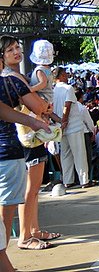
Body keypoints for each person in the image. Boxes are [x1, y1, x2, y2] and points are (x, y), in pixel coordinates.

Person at [0, 36, 52, 251]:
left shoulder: (17, 77)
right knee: (26, 192)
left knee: (33, 189)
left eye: (18, 47)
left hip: (26, 137)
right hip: (20, 142)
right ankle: (23, 236)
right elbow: (39, 106)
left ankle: (32, 230)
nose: (16, 52)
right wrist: (39, 113)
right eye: (10, 49)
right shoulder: (11, 79)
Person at [0, 99, 50, 269]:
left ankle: (29, 233)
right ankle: (24, 237)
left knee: (30, 193)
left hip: (19, 148)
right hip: (15, 151)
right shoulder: (12, 83)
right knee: (15, 201)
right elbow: (38, 106)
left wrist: (35, 120)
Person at [53, 67, 91, 188]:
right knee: (79, 154)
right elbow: (67, 105)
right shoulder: (68, 88)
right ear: (62, 75)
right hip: (73, 125)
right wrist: (64, 120)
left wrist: (60, 122)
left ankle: (68, 180)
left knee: (65, 155)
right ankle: (84, 180)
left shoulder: (53, 90)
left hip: (61, 126)